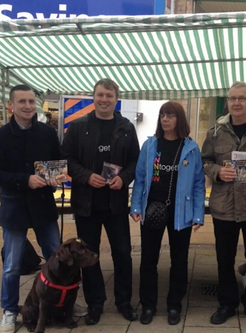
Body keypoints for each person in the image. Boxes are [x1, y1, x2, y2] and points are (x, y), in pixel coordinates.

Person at [61, 78, 140, 325]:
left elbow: (135, 162)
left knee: (122, 254)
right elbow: (67, 160)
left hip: (115, 203)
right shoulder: (77, 126)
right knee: (88, 256)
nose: (104, 99)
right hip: (86, 204)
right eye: (100, 95)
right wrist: (85, 176)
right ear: (93, 97)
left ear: (116, 99)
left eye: (109, 95)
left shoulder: (126, 128)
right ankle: (95, 304)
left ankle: (124, 302)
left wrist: (124, 178)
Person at [0, 85, 62, 333]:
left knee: (57, 257)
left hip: (43, 205)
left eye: (31, 101)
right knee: (12, 265)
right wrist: (24, 179)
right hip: (15, 207)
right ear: (11, 105)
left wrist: (55, 177)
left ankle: (61, 304)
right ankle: (9, 310)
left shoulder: (48, 134)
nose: (28, 106)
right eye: (22, 102)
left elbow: (57, 164)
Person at [201, 81, 246, 327]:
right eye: (232, 98)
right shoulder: (214, 132)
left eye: (242, 98)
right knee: (224, 258)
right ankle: (227, 303)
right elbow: (204, 161)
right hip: (224, 207)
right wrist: (217, 172)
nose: (236, 103)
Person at [130, 101, 205, 325]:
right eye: (163, 115)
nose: (165, 119)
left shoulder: (190, 148)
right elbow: (140, 178)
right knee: (148, 260)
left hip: (180, 212)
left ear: (179, 120)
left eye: (170, 115)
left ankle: (174, 305)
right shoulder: (150, 145)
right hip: (152, 210)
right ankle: (148, 305)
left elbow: (199, 183)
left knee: (179, 260)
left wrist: (198, 214)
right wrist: (135, 206)